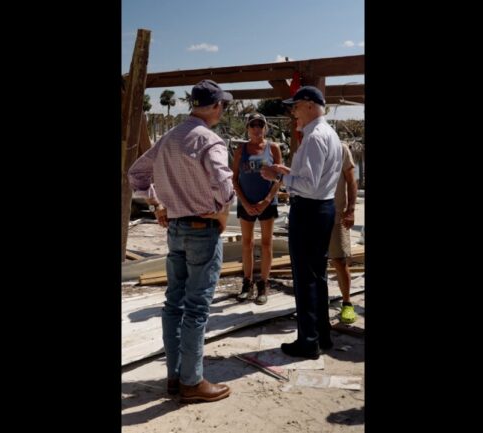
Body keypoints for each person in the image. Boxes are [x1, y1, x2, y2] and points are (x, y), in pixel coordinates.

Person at [127, 79, 234, 403]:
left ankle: (175, 377)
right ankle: (192, 381)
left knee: (174, 303)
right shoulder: (211, 141)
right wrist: (221, 211)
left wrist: (158, 204)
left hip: (175, 230)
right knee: (197, 308)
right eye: (223, 106)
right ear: (216, 106)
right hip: (202, 229)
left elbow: (136, 173)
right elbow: (224, 187)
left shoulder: (170, 137)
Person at [261, 86, 342, 359]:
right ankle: (322, 333)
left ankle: (308, 341)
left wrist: (278, 176)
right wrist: (288, 173)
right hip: (322, 207)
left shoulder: (314, 137)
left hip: (309, 210)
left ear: (308, 105)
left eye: (294, 107)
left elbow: (307, 185)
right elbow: (315, 179)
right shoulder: (328, 133)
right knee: (317, 275)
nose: (292, 112)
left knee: (305, 278)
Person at [232, 113, 282, 305]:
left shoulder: (273, 148)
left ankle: (264, 283)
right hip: (247, 202)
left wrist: (267, 200)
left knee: (267, 243)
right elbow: (234, 179)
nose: (257, 128)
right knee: (247, 243)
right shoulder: (240, 150)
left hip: (267, 203)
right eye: (253, 125)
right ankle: (247, 282)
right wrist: (244, 202)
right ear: (248, 128)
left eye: (260, 124)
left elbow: (279, 178)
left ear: (265, 127)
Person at [329, 142, 358, 324]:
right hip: (314, 216)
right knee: (314, 262)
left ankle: (347, 302)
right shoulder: (307, 145)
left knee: (339, 260)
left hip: (336, 214)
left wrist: (351, 209)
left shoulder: (340, 148)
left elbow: (351, 179)